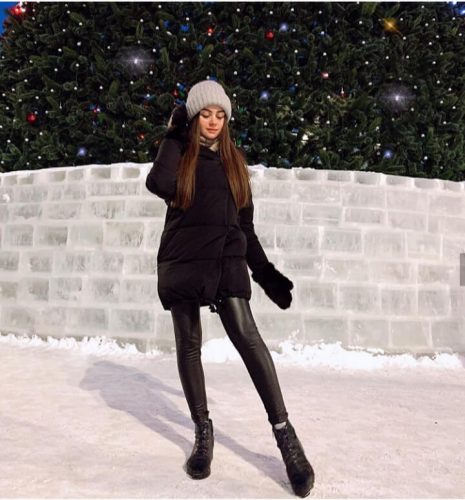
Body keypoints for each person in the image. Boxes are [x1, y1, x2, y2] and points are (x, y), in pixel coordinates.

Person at [145, 80, 315, 497]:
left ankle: (285, 435)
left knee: (249, 339)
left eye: (220, 115)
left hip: (226, 260)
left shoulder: (235, 163)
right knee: (189, 344)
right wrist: (173, 135)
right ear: (193, 117)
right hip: (184, 258)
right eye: (205, 114)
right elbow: (158, 184)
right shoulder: (180, 155)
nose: (213, 122)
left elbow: (246, 227)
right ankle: (203, 430)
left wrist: (266, 274)